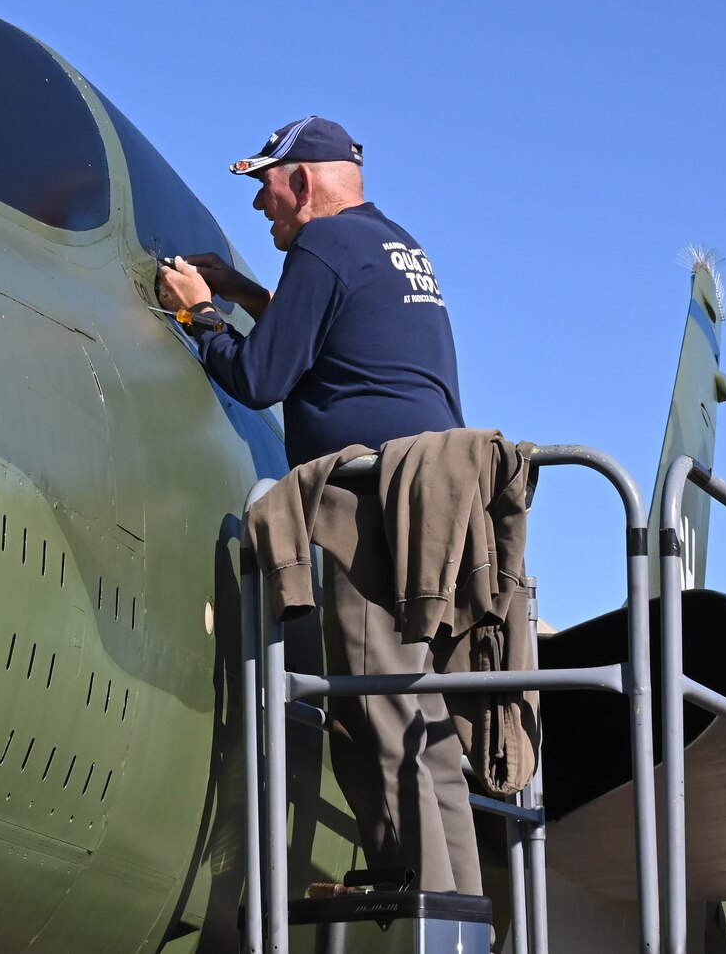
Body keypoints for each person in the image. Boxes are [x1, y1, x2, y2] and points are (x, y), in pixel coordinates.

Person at [156, 116, 482, 896]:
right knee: (429, 728)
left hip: (370, 508)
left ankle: (414, 907)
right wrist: (239, 291)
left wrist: (198, 313)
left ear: (302, 181)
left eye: (265, 187)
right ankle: (462, 913)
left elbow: (262, 377)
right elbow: (327, 339)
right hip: (438, 508)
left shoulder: (322, 245)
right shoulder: (393, 246)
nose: (260, 206)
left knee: (375, 712)